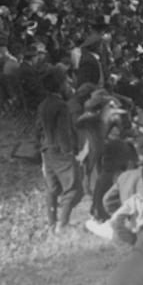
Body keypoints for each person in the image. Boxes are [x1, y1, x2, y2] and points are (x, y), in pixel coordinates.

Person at [37, 68, 83, 232]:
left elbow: (38, 129)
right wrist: (69, 151)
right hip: (60, 150)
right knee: (74, 188)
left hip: (46, 149)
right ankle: (63, 224)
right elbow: (64, 132)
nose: (68, 84)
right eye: (66, 82)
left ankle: (51, 222)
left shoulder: (43, 104)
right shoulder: (61, 106)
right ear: (60, 85)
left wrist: (41, 148)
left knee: (52, 187)